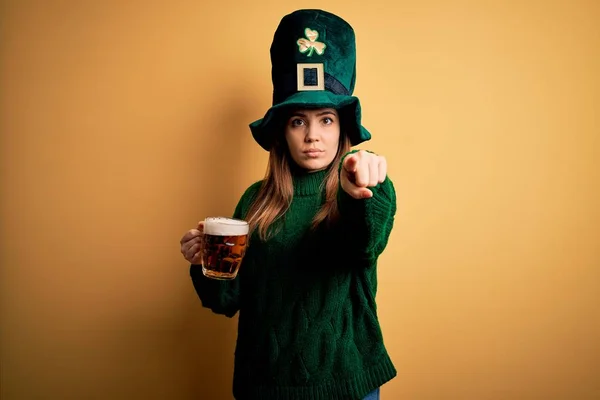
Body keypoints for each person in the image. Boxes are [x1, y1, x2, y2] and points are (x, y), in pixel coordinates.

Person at [180, 9, 397, 400]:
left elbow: (363, 242)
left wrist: (356, 188)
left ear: (343, 128)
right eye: (298, 121)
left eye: (326, 120)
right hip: (265, 386)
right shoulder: (255, 200)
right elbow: (227, 301)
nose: (312, 135)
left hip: (346, 386)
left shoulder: (367, 185)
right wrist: (203, 266)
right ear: (282, 129)